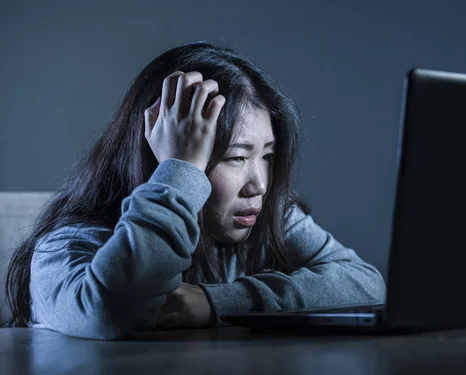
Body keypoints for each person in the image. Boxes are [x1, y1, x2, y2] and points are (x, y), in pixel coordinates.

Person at [4, 41, 386, 340]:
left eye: (267, 156)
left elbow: (367, 285)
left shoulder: (269, 217)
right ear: (162, 156)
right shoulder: (65, 246)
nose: (260, 185)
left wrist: (217, 301)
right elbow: (110, 313)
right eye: (236, 158)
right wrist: (182, 170)